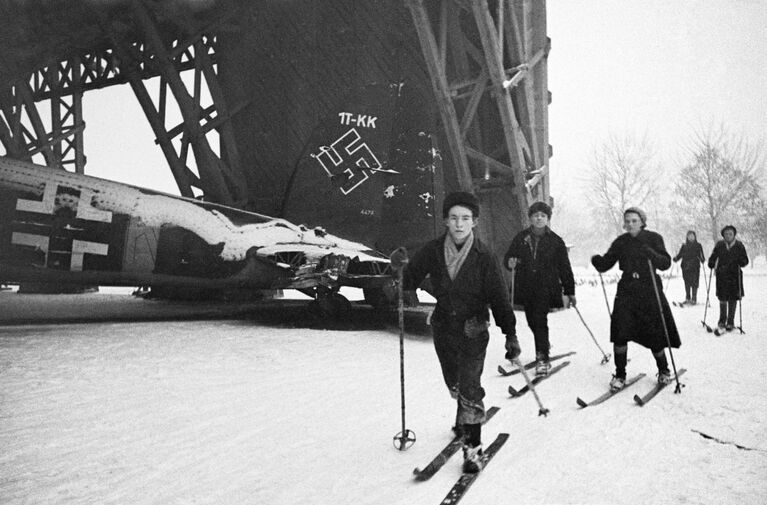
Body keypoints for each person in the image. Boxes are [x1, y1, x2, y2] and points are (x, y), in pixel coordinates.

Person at [398, 191, 519, 473]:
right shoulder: (433, 249)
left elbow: (500, 297)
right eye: (454, 218)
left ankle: (473, 449)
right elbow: (410, 278)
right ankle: (463, 411)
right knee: (454, 382)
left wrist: (510, 333)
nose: (459, 224)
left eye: (465, 218)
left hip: (473, 328)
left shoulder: (484, 255)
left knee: (469, 385)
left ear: (474, 222)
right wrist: (399, 271)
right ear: (445, 221)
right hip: (443, 327)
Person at [591, 207, 681, 391]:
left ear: (642, 221)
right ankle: (620, 374)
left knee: (654, 332)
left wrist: (651, 253)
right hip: (627, 289)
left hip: (649, 289)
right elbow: (607, 263)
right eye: (628, 221)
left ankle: (664, 371)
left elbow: (665, 263)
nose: (630, 224)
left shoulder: (654, 238)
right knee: (620, 331)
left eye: (634, 220)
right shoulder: (621, 241)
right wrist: (597, 261)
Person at [503, 201, 576, 376]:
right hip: (526, 285)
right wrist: (510, 261)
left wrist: (570, 290)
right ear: (530, 218)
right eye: (536, 215)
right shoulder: (521, 238)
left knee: (539, 319)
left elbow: (565, 267)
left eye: (543, 215)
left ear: (548, 219)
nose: (539, 218)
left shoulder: (556, 241)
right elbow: (508, 258)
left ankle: (542, 357)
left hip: (546, 286)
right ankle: (543, 343)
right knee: (532, 320)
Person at [707, 225, 749, 332]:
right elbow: (714, 255)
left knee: (733, 298)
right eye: (726, 234)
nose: (728, 235)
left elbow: (745, 259)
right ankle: (722, 321)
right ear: (723, 235)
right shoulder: (720, 245)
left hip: (735, 275)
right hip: (722, 274)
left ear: (734, 235)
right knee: (723, 297)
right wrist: (711, 262)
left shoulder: (739, 245)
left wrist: (742, 261)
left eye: (730, 233)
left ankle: (730, 322)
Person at [673, 230, 705, 305]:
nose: (691, 237)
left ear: (695, 236)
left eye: (692, 236)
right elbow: (680, 254)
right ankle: (687, 298)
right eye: (689, 236)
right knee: (687, 282)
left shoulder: (698, 245)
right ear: (687, 237)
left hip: (695, 266)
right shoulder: (684, 245)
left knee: (694, 282)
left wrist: (702, 259)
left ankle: (694, 299)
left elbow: (701, 255)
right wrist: (676, 258)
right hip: (685, 266)